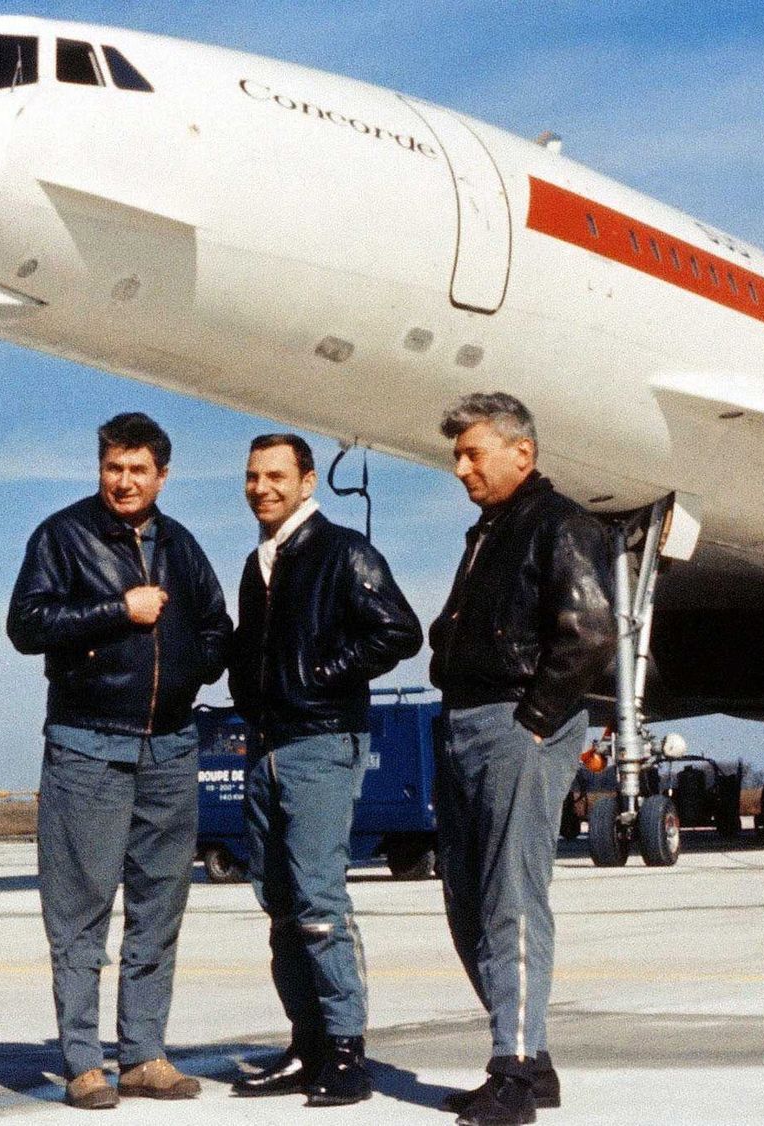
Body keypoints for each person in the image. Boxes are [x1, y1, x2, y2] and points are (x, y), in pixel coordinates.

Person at [7, 412, 234, 1110]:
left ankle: (143, 1054)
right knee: (80, 912)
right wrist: (117, 611)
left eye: (138, 470)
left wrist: (190, 673)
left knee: (160, 906)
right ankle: (83, 1062)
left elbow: (215, 627)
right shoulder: (62, 537)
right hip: (88, 745)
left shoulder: (182, 545)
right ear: (100, 468)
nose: (124, 481)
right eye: (113, 468)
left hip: (169, 747)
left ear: (162, 475)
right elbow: (27, 625)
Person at [428, 392, 616, 1126]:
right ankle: (530, 1061)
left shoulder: (560, 524)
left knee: (512, 899)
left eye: (472, 453)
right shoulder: (492, 530)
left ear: (521, 454)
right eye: (458, 455)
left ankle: (511, 1071)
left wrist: (536, 722)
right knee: (468, 902)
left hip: (517, 724)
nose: (460, 468)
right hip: (467, 721)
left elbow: (591, 633)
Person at [226, 434, 422, 1105]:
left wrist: (322, 673)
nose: (262, 488)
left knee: (317, 898)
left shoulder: (342, 552)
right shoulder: (261, 564)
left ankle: (345, 1051)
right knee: (278, 901)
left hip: (321, 741)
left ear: (308, 482)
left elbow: (398, 630)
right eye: (253, 477)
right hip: (268, 745)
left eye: (276, 476)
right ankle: (306, 1044)